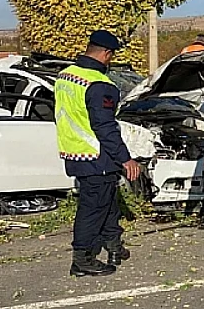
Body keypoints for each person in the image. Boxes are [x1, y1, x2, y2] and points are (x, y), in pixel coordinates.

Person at [54, 30, 141, 277]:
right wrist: (125, 157)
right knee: (93, 208)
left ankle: (114, 246)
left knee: (107, 202)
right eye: (111, 57)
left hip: (74, 152)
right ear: (106, 54)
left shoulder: (65, 76)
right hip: (96, 155)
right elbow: (105, 126)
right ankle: (82, 258)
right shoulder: (100, 83)